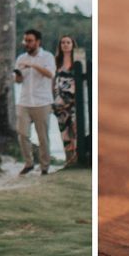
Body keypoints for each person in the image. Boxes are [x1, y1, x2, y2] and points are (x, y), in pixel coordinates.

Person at [11, 27, 56, 174]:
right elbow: (18, 80)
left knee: (43, 137)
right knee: (22, 134)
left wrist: (33, 65)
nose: (26, 43)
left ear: (38, 42)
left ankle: (44, 167)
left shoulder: (47, 57)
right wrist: (17, 76)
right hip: (24, 102)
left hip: (42, 102)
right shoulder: (20, 58)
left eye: (30, 41)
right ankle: (29, 163)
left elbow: (50, 74)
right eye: (25, 41)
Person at [52, 34, 80, 167]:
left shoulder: (77, 61)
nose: (65, 44)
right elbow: (54, 81)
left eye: (68, 42)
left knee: (76, 131)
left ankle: (79, 159)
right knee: (64, 132)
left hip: (73, 102)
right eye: (63, 42)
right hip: (59, 105)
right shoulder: (57, 61)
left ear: (72, 44)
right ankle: (69, 161)